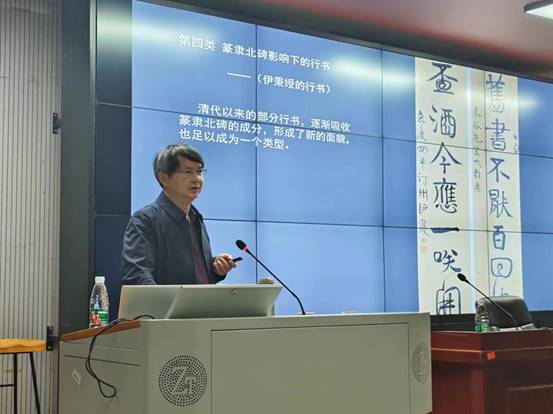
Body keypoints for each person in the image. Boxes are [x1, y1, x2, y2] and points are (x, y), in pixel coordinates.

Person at [121, 144, 237, 285]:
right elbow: (137, 275)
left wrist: (215, 268)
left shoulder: (196, 218)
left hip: (202, 300)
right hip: (168, 301)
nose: (196, 179)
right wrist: (168, 299)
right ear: (164, 178)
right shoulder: (145, 220)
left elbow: (193, 272)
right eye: (188, 171)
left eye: (199, 171)